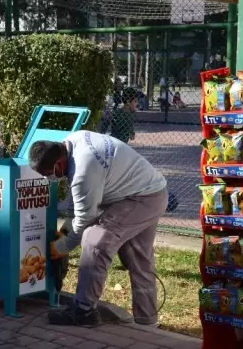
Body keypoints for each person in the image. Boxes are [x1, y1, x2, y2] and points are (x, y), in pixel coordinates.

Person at [28, 131, 168, 327]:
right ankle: (147, 323)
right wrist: (67, 230)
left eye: (47, 174)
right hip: (152, 191)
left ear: (58, 164)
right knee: (138, 258)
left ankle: (83, 311)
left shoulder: (84, 168)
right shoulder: (73, 142)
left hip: (140, 199)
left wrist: (61, 248)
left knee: (95, 242)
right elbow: (79, 200)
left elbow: (85, 216)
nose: (48, 178)